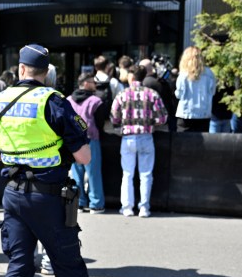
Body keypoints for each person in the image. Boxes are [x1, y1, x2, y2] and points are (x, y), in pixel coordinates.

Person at [0, 43, 116, 277]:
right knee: (67, 263)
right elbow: (84, 156)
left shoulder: (0, 100)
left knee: (19, 262)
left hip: (13, 195)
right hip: (48, 198)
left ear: (20, 69)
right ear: (47, 73)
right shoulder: (53, 101)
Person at [110, 65, 167, 217]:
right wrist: (151, 122)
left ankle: (127, 207)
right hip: (146, 136)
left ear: (131, 77)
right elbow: (163, 118)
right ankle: (144, 208)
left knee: (127, 174)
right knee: (146, 174)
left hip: (128, 137)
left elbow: (114, 116)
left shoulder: (123, 94)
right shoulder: (152, 94)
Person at [66, 72, 105, 213]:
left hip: (73, 140)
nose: (95, 83)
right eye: (93, 81)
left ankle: (79, 202)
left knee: (76, 173)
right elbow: (100, 123)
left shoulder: (68, 100)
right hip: (91, 139)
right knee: (93, 172)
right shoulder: (96, 101)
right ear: (85, 83)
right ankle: (96, 203)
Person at [174, 46, 216, 133]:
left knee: (184, 143)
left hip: (186, 113)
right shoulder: (209, 73)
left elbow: (179, 94)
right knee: (201, 145)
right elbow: (212, 92)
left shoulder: (183, 74)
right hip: (203, 114)